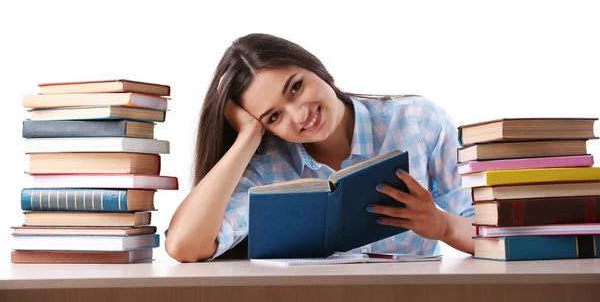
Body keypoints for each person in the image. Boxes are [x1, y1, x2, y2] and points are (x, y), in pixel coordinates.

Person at [165, 33, 475, 263]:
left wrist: (442, 225)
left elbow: (495, 235)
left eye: (296, 87)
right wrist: (247, 136)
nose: (300, 115)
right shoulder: (268, 166)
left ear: (314, 67)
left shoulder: (418, 122)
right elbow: (184, 247)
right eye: (274, 116)